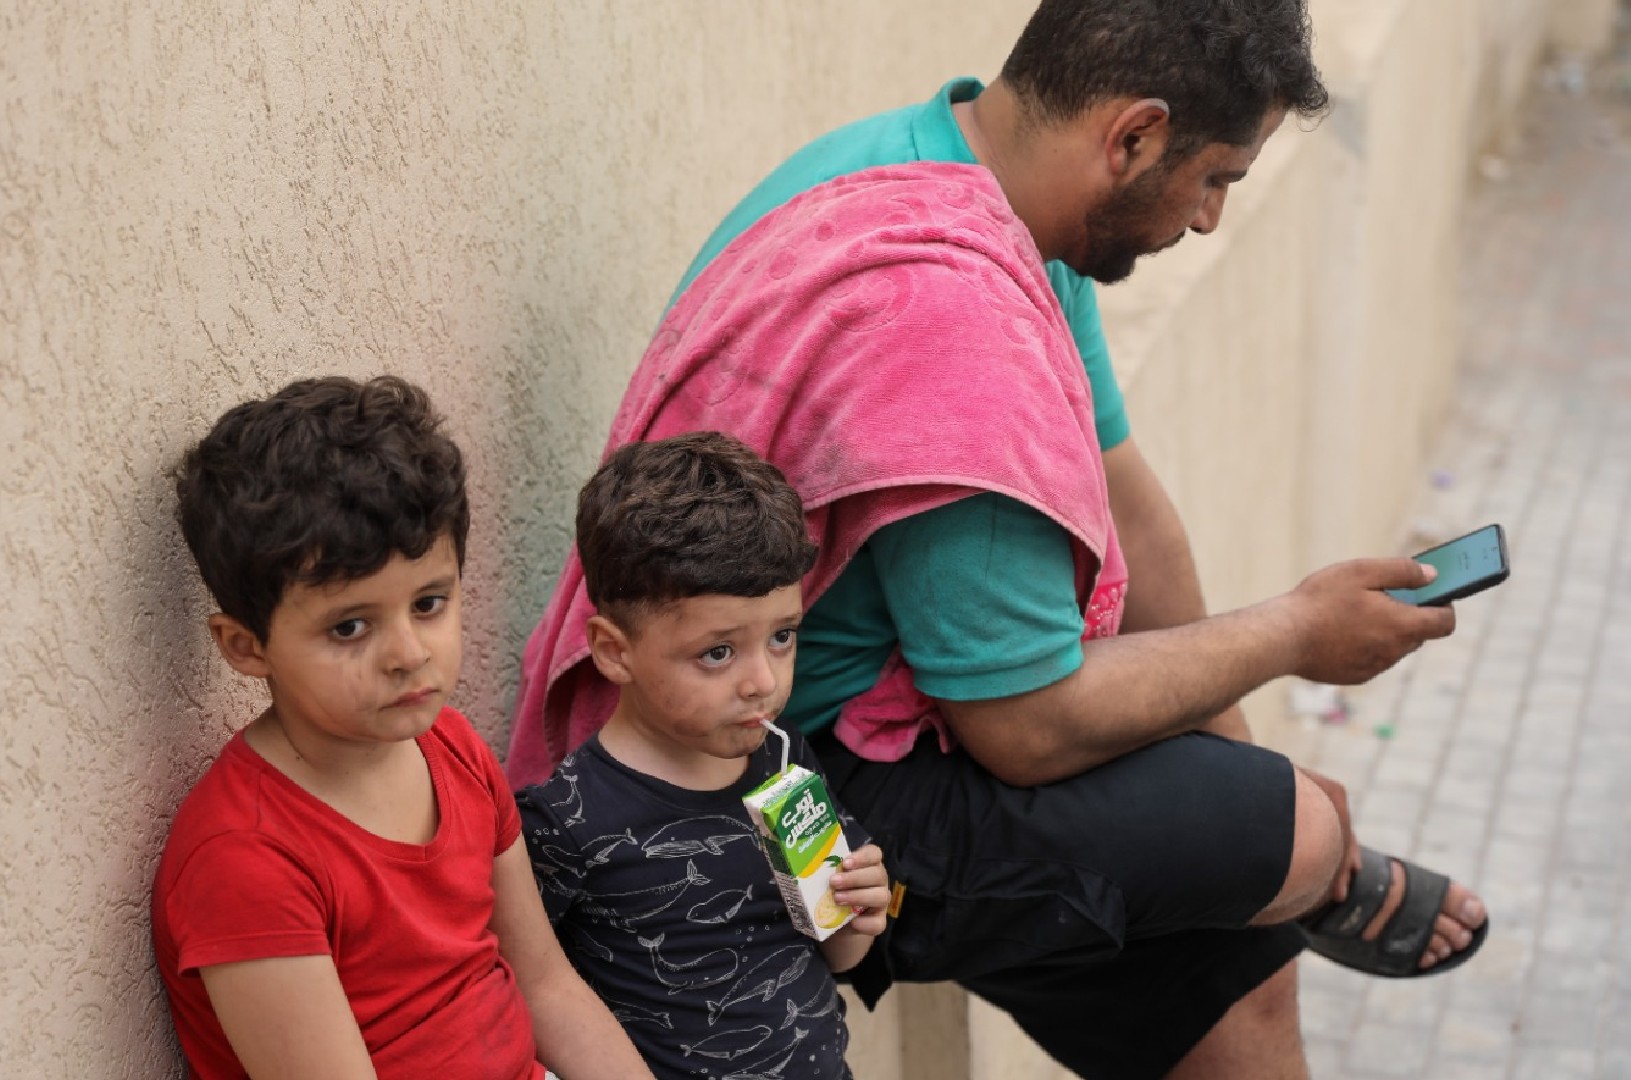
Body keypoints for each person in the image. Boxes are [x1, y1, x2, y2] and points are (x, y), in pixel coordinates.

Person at [510, 2, 1490, 1076]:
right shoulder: (951, 321)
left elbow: (1128, 499)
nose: (1209, 218)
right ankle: (1325, 871)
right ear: (1133, 137)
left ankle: (1297, 875)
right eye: (1216, 178)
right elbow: (1023, 729)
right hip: (774, 762)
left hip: (891, 721)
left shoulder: (949, 176)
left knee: (1244, 914)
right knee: (1294, 833)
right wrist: (1299, 638)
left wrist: (1228, 771)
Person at [153, 376, 654, 1080]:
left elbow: (546, 987)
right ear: (246, 646)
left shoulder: (449, 746)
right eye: (350, 626)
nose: (408, 655)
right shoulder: (246, 859)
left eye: (428, 603)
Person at [517, 432, 893, 1080]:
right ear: (613, 651)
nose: (763, 682)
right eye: (718, 652)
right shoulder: (567, 823)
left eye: (781, 637)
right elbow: (526, 991)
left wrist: (865, 910)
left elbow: (841, 957)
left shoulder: (783, 759)